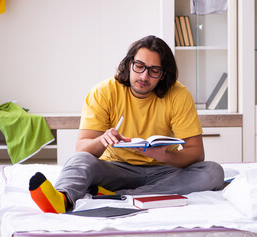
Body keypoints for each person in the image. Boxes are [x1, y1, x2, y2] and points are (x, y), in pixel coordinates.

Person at [29, 35, 225, 214]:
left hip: (163, 170)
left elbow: (197, 153)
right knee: (80, 160)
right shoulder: (104, 92)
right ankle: (62, 198)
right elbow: (82, 148)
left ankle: (118, 194)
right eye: (139, 66)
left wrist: (165, 155)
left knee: (213, 172)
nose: (144, 77)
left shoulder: (179, 95)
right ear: (129, 63)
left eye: (154, 71)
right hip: (115, 169)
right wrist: (102, 140)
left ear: (163, 75)